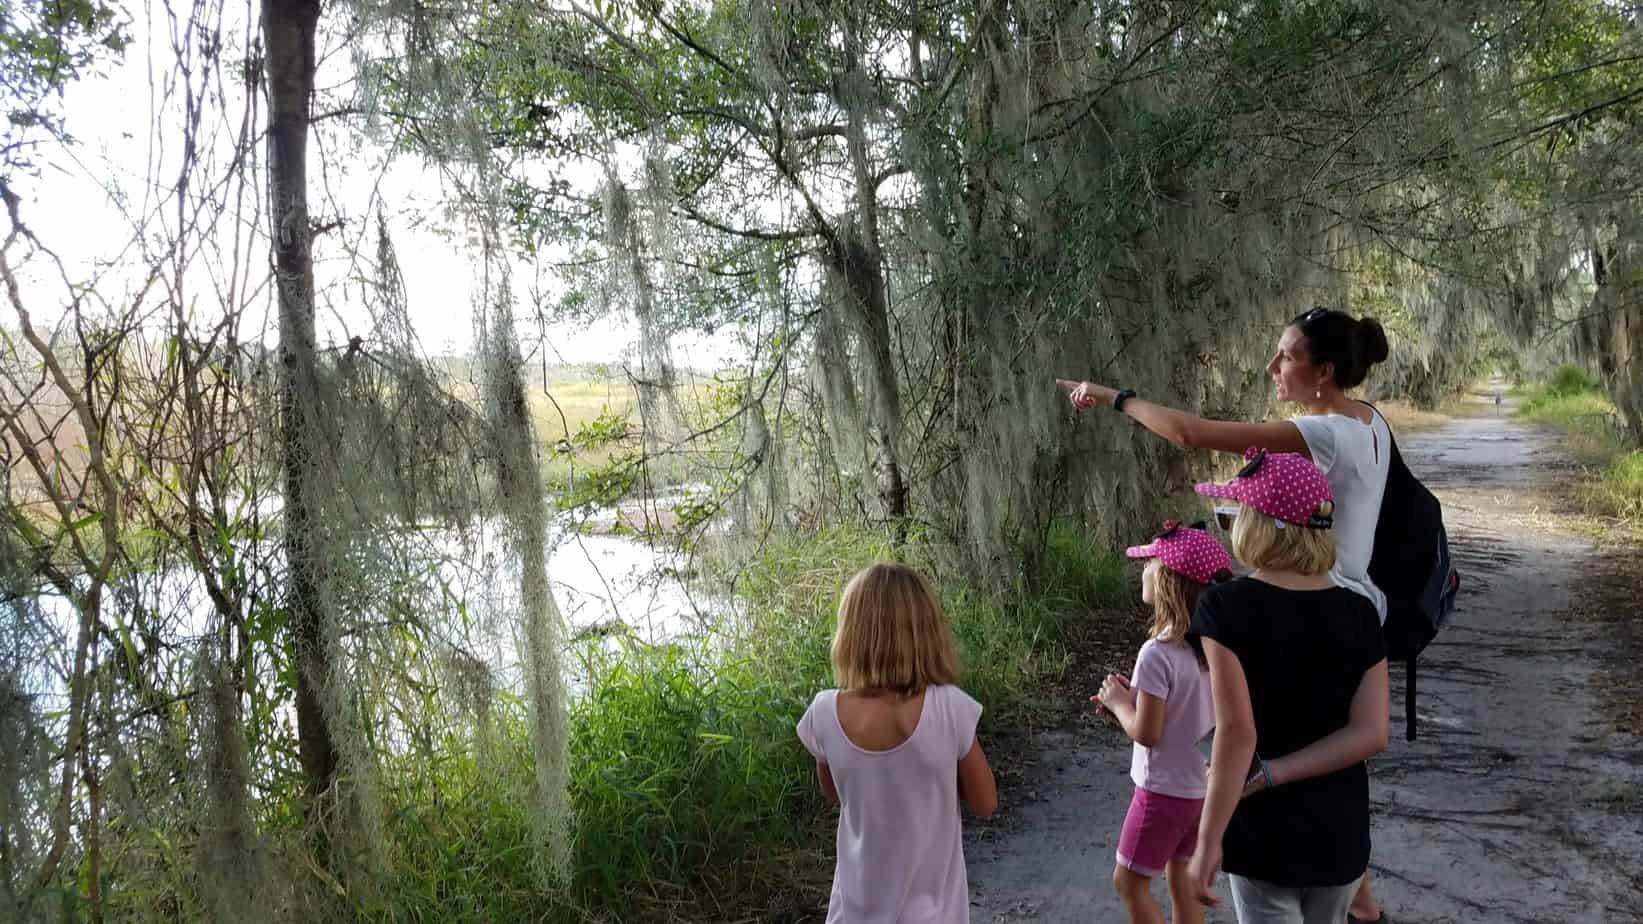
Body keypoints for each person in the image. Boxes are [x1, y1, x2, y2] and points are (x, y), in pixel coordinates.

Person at [1058, 306, 1395, 921]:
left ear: (1323, 372)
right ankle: (1363, 906)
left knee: (1255, 753)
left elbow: (1190, 433)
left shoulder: (1323, 433)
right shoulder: (1372, 424)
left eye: (1287, 356)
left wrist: (1117, 398)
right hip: (1352, 613)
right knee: (1328, 772)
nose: (1273, 367)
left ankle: (1264, 859)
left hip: (1298, 610)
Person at [1183, 450, 1390, 923]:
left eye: (1234, 513)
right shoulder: (1359, 613)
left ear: (1260, 525)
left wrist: (1209, 838)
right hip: (1339, 831)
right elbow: (1372, 732)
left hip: (1264, 835)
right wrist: (1277, 771)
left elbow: (1237, 733)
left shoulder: (1225, 608)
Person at [796, 563, 998, 924]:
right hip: (934, 914)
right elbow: (985, 803)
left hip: (854, 912)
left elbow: (835, 793)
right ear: (927, 632)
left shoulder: (824, 712)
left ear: (850, 635)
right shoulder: (949, 707)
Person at [1094, 521, 1234, 924]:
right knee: (1181, 881)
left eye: (1150, 562)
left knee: (1129, 883)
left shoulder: (1156, 653)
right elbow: (1184, 710)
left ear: (1169, 581)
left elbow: (1148, 732)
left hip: (1161, 793)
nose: (1143, 570)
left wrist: (1121, 705)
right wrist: (1132, 697)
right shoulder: (1211, 647)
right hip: (1198, 791)